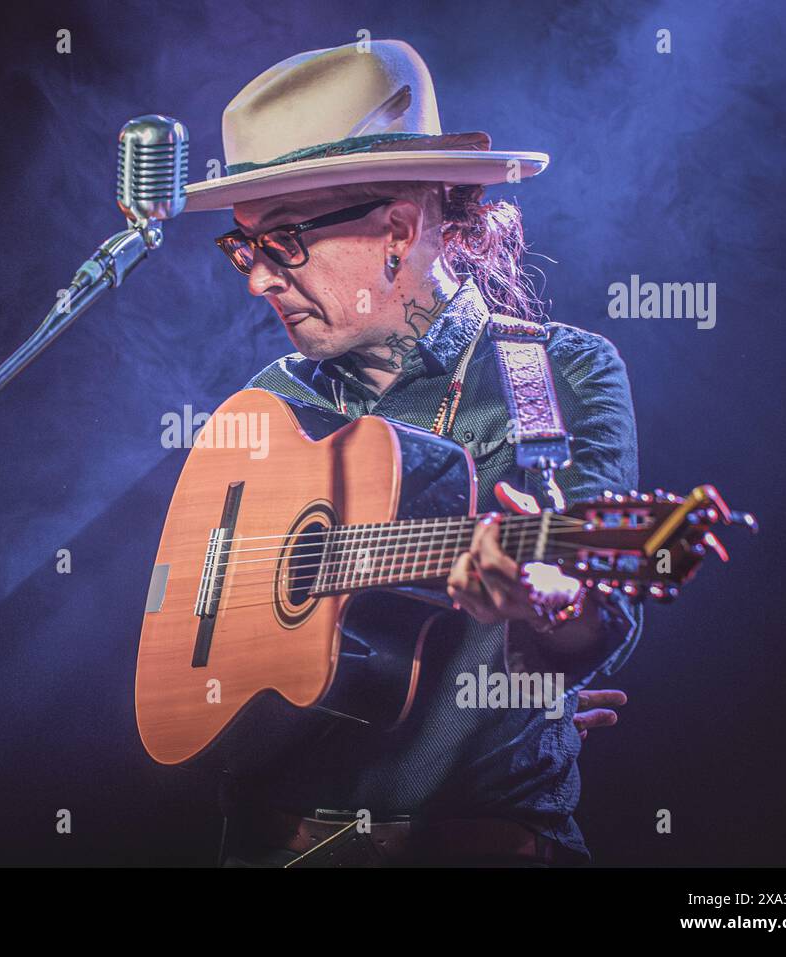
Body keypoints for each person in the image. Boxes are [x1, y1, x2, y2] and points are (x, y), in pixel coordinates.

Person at [182, 39, 642, 867]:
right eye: (243, 245)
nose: (256, 280)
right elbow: (190, 643)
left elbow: (597, 605)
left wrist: (554, 603)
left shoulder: (555, 374)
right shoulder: (269, 402)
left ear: (397, 226)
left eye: (283, 241)